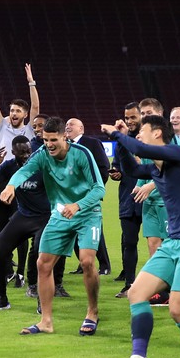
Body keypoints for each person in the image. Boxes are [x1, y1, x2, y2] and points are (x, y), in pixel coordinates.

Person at [99, 115, 180, 358]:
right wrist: (123, 146)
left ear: (158, 133)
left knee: (178, 310)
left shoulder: (177, 154)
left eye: (143, 132)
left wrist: (118, 136)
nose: (139, 136)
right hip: (173, 242)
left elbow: (141, 150)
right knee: (136, 293)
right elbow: (132, 168)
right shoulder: (155, 169)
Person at [1, 117, 105, 335]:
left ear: (64, 136)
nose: (49, 144)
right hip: (60, 215)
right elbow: (24, 171)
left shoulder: (82, 154)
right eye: (46, 140)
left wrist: (78, 205)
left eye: (53, 139)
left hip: (87, 213)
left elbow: (99, 189)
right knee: (43, 264)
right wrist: (11, 186)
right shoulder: (42, 155)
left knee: (86, 261)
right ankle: (45, 321)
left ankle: (92, 312)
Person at [0, 136, 52, 311]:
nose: (27, 155)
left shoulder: (41, 166)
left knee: (39, 253)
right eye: (22, 152)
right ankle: (1, 298)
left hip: (45, 216)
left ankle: (41, 301)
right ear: (13, 153)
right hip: (23, 215)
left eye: (29, 151)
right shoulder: (9, 167)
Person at [64, 117, 112, 276]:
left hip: (89, 195)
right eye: (66, 125)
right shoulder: (65, 146)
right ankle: (82, 264)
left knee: (95, 229)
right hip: (69, 196)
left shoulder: (91, 143)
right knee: (75, 229)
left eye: (72, 124)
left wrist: (94, 191)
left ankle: (104, 265)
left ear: (81, 129)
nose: (68, 126)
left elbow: (104, 167)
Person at [109, 102, 143, 298]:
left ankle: (160, 286)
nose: (130, 121)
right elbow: (117, 166)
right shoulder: (122, 140)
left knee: (157, 243)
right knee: (129, 242)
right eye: (127, 117)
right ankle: (129, 283)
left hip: (150, 199)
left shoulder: (150, 138)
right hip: (128, 198)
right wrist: (117, 173)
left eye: (133, 117)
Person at [0, 60, 39, 162]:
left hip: (23, 173)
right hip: (3, 174)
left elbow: (35, 106)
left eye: (18, 111)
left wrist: (31, 82)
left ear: (26, 115)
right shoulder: (3, 127)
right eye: (12, 110)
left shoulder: (30, 129)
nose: (14, 113)